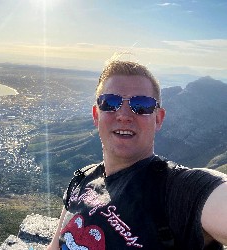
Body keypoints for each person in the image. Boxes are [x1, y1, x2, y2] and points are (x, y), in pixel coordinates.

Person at [47, 60, 227, 249]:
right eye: (110, 103)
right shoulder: (81, 179)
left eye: (141, 105)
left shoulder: (176, 190)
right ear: (95, 115)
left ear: (158, 119)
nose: (124, 114)